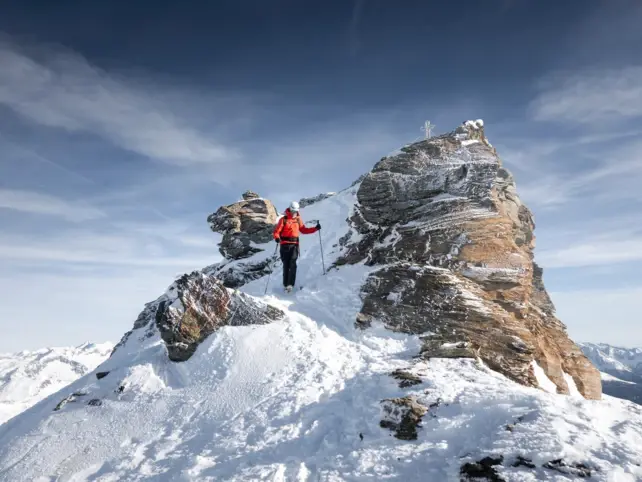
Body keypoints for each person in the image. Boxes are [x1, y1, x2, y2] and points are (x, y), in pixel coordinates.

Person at [273, 201, 321, 292]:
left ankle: (290, 285)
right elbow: (277, 231)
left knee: (293, 264)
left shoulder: (298, 219)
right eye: (293, 210)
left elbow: (303, 230)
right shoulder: (283, 219)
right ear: (290, 209)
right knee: (286, 265)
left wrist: (315, 228)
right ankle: (285, 284)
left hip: (294, 245)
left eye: (295, 211)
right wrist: (277, 238)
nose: (294, 212)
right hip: (284, 245)